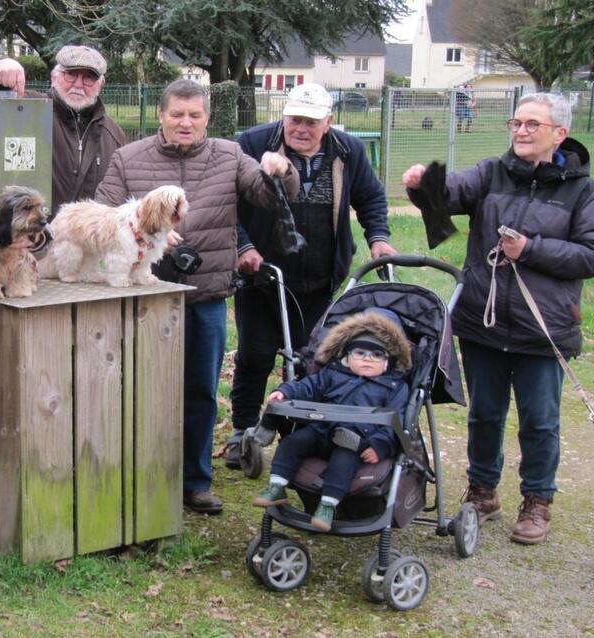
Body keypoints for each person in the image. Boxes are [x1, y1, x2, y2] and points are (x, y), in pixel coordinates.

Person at [94, 79, 299, 515]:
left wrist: (281, 170)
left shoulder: (229, 155)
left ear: (207, 118)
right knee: (139, 390)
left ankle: (195, 481)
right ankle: (140, 480)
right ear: (162, 116)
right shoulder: (128, 159)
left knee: (202, 393)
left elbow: (266, 194)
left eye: (194, 115)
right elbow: (105, 213)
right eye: (176, 115)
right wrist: (148, 232)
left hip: (206, 294)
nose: (185, 123)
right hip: (142, 297)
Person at [402, 92, 594, 545]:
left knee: (540, 420)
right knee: (485, 415)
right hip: (483, 323)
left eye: (532, 125)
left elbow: (589, 255)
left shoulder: (581, 189)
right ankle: (484, 491)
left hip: (543, 328)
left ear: (559, 134)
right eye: (516, 123)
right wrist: (422, 184)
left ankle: (537, 501)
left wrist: (532, 250)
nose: (521, 132)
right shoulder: (492, 171)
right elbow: (452, 193)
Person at [225, 83, 397, 470]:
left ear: (328, 122)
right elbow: (228, 202)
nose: (300, 128)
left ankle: (299, 432)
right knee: (255, 355)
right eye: (294, 119)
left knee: (310, 359)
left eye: (311, 121)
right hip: (261, 273)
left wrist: (379, 238)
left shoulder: (347, 151)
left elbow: (370, 197)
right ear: (284, 117)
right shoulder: (253, 143)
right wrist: (243, 247)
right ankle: (241, 432)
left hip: (320, 276)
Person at [252, 310, 411, 531]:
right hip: (322, 429)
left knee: (343, 462)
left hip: (359, 440)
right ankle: (276, 487)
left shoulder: (394, 387)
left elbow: (398, 422)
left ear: (388, 362)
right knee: (293, 442)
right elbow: (307, 386)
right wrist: (285, 392)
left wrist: (379, 445)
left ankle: (327, 506)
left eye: (377, 355)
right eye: (360, 352)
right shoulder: (333, 374)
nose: (367, 358)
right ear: (346, 357)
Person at [0, 45, 126, 214]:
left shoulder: (114, 134)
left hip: (83, 237)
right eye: (70, 74)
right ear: (54, 77)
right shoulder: (27, 108)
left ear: (100, 85)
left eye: (89, 78)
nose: (78, 84)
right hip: (31, 236)